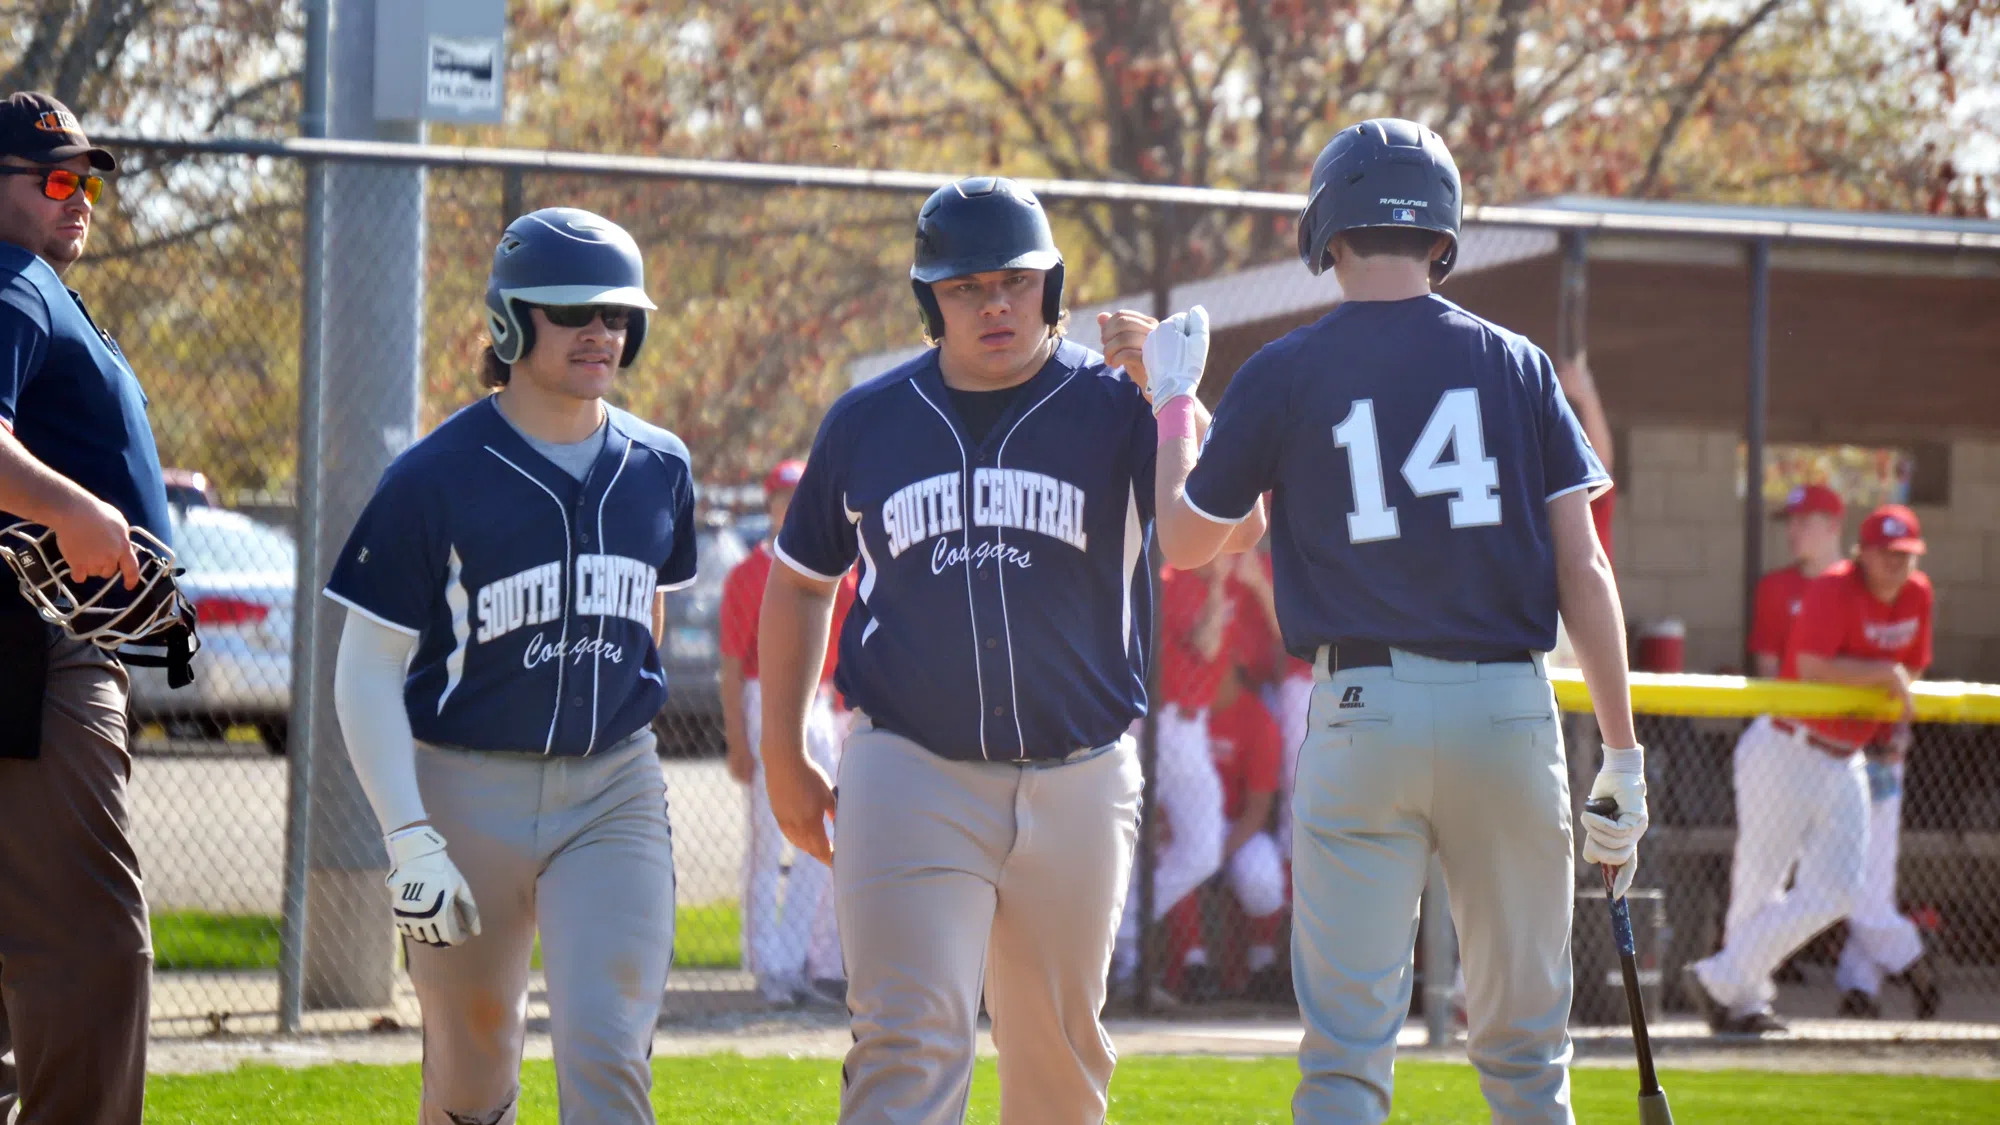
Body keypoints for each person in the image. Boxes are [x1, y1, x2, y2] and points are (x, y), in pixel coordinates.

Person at [1152, 118, 1642, 1125]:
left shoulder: (1284, 370)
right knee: (1525, 1061)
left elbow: (1185, 540)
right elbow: (1582, 566)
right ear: (1441, 235)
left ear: (1326, 231)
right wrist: (1624, 756)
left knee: (1343, 1064)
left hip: (1360, 707)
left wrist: (1170, 406)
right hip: (1507, 710)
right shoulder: (1515, 364)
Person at [756, 175, 1264, 1125]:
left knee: (1060, 1063)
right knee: (906, 1038)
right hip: (909, 767)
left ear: (1052, 287)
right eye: (965, 286)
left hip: (1079, 773)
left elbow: (1235, 525)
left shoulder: (1116, 405)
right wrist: (787, 755)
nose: (993, 303)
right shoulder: (868, 421)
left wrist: (1173, 398)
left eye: (1015, 282)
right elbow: (798, 580)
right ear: (929, 300)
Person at [325, 207, 691, 1124]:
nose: (600, 331)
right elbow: (366, 667)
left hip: (613, 792)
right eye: (572, 313)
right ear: (510, 322)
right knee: (470, 1075)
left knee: (608, 1054)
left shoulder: (660, 466)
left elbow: (646, 616)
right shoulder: (433, 475)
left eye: (617, 313)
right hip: (463, 793)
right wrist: (407, 834)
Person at [0, 91, 176, 1125]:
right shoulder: (15, 280)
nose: (80, 196)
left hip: (45, 649)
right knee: (93, 956)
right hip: (37, 652)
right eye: (53, 176)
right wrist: (75, 508)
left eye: (88, 178)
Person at [1684, 504, 1937, 1033]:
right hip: (1787, 745)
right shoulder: (1833, 588)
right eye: (1886, 554)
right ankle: (1746, 1002)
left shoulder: (1918, 595)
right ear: (1862, 552)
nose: (1896, 565)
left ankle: (1718, 980)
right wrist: (1884, 676)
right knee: (1760, 881)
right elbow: (1813, 667)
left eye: (1905, 555)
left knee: (1841, 888)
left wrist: (1892, 684)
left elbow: (1913, 664)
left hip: (1847, 758)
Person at [719, 457, 855, 1008]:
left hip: (820, 699)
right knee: (768, 838)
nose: (791, 506)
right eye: (783, 497)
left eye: (800, 496)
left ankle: (799, 959)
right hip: (761, 694)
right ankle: (765, 963)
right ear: (769, 503)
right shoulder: (749, 571)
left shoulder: (832, 564)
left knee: (821, 836)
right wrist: (734, 737)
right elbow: (730, 663)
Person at [1110, 560, 1227, 1001]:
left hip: (1190, 729)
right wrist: (1217, 585)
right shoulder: (1170, 579)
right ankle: (1124, 955)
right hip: (1161, 725)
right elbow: (1207, 645)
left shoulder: (1203, 583)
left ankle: (1123, 950)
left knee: (1199, 850)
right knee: (1171, 848)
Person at [1194, 662, 1288, 999]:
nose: (1205, 682)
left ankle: (1262, 965)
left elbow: (1258, 809)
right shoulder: (1187, 712)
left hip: (1237, 827)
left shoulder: (1256, 719)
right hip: (1188, 824)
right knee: (1176, 863)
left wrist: (1218, 854)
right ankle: (1193, 967)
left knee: (1262, 875)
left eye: (1213, 674)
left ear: (1233, 676)